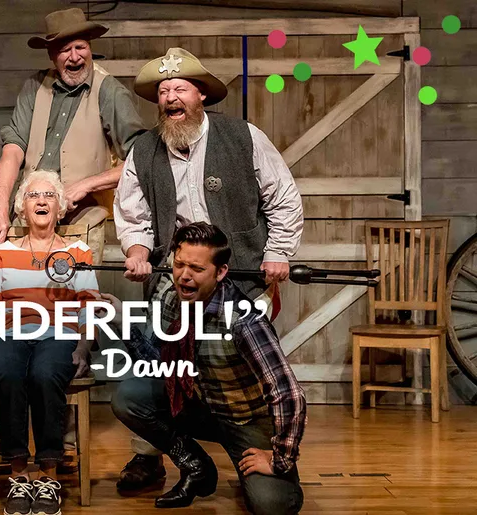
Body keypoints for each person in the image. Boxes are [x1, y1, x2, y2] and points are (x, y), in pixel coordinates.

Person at [112, 47, 304, 492]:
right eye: (163, 91)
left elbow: (283, 198)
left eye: (180, 88)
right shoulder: (143, 149)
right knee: (156, 367)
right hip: (173, 281)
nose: (170, 97)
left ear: (200, 95)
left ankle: (259, 439)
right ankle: (159, 457)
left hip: (237, 279)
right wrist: (138, 250)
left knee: (239, 367)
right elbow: (132, 214)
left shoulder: (244, 137)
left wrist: (278, 252)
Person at [110, 222, 306, 514]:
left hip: (245, 420)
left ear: (221, 272)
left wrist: (279, 458)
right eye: (179, 265)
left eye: (197, 269)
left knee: (272, 505)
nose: (184, 276)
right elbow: (158, 366)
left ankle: (269, 478)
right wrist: (119, 321)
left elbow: (288, 393)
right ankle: (196, 466)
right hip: (201, 408)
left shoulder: (243, 320)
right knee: (130, 397)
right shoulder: (171, 302)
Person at [0, 170, 98, 515]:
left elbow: (89, 307)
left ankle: (47, 476)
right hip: (12, 333)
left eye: (49, 196)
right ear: (21, 208)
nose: (41, 201)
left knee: (45, 374)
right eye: (32, 196)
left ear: (59, 208)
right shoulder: (4, 252)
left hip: (60, 334)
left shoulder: (78, 252)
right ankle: (18, 474)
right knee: (5, 370)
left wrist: (83, 347)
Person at [0, 7, 147, 264]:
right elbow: (13, 150)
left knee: (75, 301)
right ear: (51, 55)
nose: (74, 57)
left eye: (80, 47)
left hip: (81, 223)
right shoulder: (34, 87)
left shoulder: (109, 91)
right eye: (64, 50)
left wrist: (86, 185)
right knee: (19, 293)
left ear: (90, 47)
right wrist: (0, 207)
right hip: (29, 219)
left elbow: (141, 160)